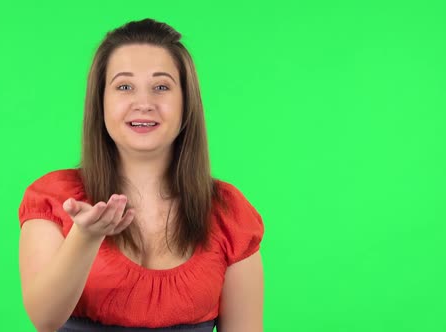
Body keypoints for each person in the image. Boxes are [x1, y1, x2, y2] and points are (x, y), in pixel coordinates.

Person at [18, 18, 264, 332]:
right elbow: (45, 318)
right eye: (124, 86)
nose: (144, 103)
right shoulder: (52, 197)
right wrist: (86, 237)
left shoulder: (228, 212)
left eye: (161, 87)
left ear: (186, 102)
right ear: (100, 102)